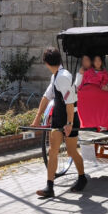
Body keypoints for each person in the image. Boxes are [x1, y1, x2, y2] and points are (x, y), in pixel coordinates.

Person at [31, 47, 86, 198]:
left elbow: (70, 104)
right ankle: (50, 187)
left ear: (47, 63)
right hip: (58, 117)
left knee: (71, 151)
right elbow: (46, 96)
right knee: (52, 151)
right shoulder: (55, 76)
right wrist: (37, 117)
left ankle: (82, 177)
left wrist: (68, 123)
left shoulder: (63, 77)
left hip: (70, 117)